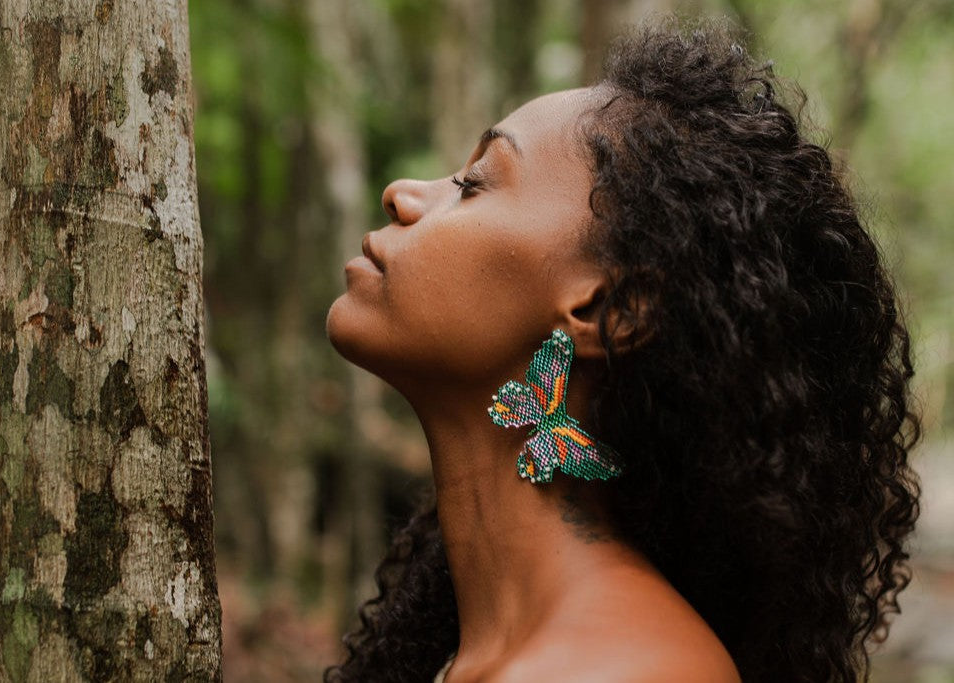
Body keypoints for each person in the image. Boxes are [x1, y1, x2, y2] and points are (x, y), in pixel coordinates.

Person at [323, 16, 921, 683]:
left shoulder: (641, 669)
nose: (403, 194)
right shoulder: (465, 651)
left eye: (475, 183)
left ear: (607, 306)